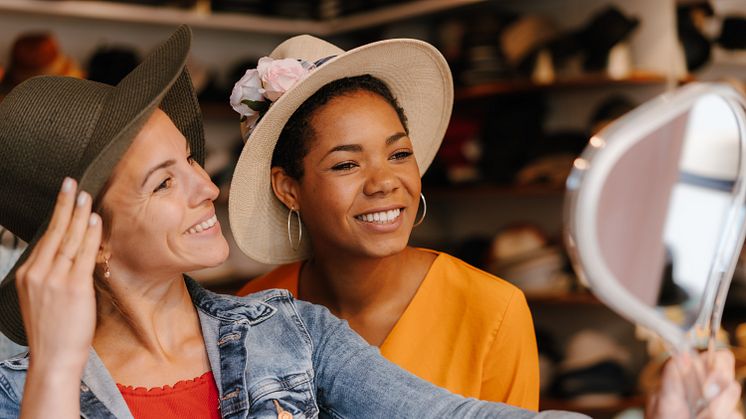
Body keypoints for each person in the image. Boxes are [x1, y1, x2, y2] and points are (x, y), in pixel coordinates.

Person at [0, 25, 590, 418]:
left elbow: (458, 416)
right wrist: (54, 367)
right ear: (88, 239)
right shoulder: (14, 385)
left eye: (190, 161)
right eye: (163, 181)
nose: (208, 188)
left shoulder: (287, 330)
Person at [228, 34, 539, 407]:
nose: (385, 183)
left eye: (399, 154)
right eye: (346, 164)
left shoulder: (492, 311)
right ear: (289, 189)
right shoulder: (256, 313)